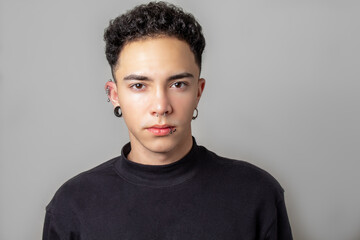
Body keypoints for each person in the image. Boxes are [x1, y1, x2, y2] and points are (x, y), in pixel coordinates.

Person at [42, 2, 293, 239]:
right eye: (139, 85)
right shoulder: (72, 204)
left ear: (198, 91)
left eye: (178, 84)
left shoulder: (256, 193)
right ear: (114, 94)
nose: (161, 106)